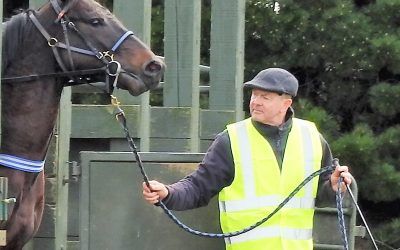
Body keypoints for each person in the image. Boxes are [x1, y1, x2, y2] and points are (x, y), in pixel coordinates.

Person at [142, 68, 353, 250]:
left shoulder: (312, 137)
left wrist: (335, 187)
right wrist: (168, 193)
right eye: (254, 95)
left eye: (265, 97)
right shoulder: (231, 140)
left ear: (286, 103)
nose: (256, 102)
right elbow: (198, 187)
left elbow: (319, 195)